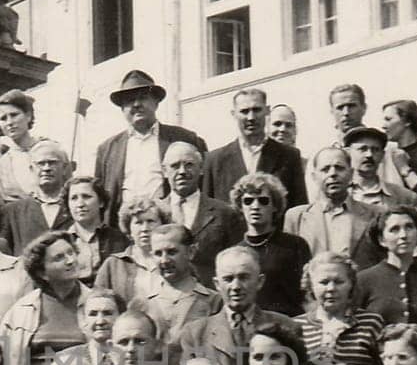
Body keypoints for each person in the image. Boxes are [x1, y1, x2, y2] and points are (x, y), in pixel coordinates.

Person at [181, 245, 301, 365]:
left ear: (260, 281)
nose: (236, 287)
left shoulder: (285, 326)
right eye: (228, 279)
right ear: (217, 284)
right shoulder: (196, 332)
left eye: (243, 277)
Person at [93, 69, 205, 228]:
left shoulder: (185, 138)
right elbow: (101, 199)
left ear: (156, 102)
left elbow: (204, 186)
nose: (137, 104)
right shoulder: (107, 149)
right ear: (122, 108)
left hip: (171, 227)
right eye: (129, 100)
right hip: (125, 232)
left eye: (143, 98)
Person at [0, 230, 89, 365]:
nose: (70, 261)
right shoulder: (20, 312)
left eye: (71, 253)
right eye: (59, 258)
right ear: (42, 273)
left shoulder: (95, 303)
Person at [354, 206, 417, 335]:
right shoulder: (363, 280)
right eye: (394, 229)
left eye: (409, 227)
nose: (403, 235)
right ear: (381, 240)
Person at [203, 85, 307, 208]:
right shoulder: (215, 160)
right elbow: (208, 212)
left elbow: (299, 209)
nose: (251, 117)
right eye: (244, 111)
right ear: (234, 114)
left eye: (256, 110)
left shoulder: (289, 156)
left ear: (267, 111)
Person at [160, 143, 244, 286]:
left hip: (210, 297)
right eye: (175, 166)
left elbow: (236, 260)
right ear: (164, 171)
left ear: (201, 168)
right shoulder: (155, 212)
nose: (182, 171)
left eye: (189, 165)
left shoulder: (225, 213)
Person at [296, 252, 385, 365]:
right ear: (310, 286)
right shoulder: (296, 326)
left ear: (351, 284)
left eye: (339, 282)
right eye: (324, 282)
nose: (331, 288)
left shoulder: (371, 323)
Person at [284, 148, 381, 270]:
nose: (332, 173)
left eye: (339, 168)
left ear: (351, 174)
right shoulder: (295, 217)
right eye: (325, 169)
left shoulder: (376, 214)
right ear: (314, 177)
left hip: (360, 287)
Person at [229, 171, 311, 316]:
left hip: (289, 325)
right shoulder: (235, 253)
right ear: (240, 207)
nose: (255, 206)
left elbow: (308, 294)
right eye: (248, 201)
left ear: (275, 206)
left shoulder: (295, 245)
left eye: (263, 201)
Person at [133, 223, 222, 346]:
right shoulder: (141, 304)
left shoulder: (214, 301)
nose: (164, 260)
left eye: (172, 252)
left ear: (191, 252)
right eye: (158, 254)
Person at [94, 194, 169, 306]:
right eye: (138, 223)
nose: (145, 228)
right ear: (129, 228)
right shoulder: (113, 264)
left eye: (151, 221)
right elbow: (97, 302)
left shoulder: (173, 261)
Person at [5, 141, 74, 252]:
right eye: (41, 163)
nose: (46, 168)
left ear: (65, 168)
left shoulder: (75, 206)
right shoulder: (13, 212)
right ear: (31, 169)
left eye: (52, 163)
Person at [65, 173, 127, 283]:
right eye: (74, 198)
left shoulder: (119, 239)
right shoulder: (61, 242)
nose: (80, 204)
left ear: (101, 202)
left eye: (86, 196)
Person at [343, 126, 417, 213]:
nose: (369, 154)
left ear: (382, 155)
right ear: (348, 153)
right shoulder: (338, 193)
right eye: (363, 149)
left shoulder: (405, 197)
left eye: (375, 150)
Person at [0, 90, 42, 201]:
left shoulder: (51, 151)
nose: (9, 122)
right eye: (3, 118)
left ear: (28, 116)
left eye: (14, 115)